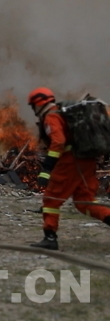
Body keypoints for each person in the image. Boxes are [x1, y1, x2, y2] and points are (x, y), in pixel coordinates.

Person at [27, 87, 110, 250]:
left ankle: (50, 237)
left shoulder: (51, 116)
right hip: (86, 161)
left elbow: (58, 142)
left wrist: (47, 169)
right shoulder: (62, 112)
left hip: (70, 162)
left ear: (38, 104)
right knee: (84, 202)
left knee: (51, 199)